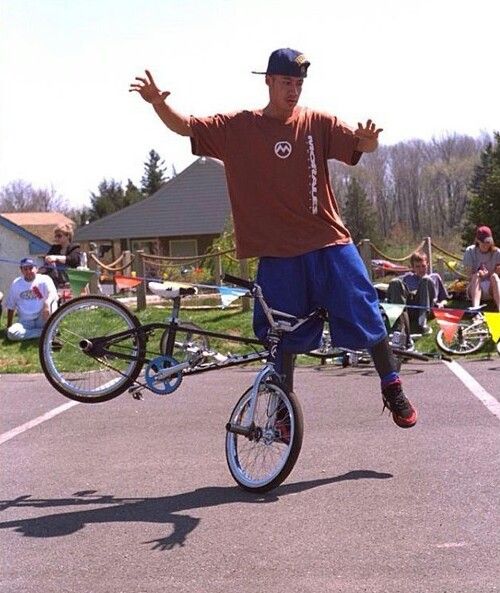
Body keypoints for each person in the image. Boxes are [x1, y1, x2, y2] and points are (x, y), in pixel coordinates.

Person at [130, 48, 417, 428]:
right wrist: (157, 104)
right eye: (286, 82)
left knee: (366, 308)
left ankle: (391, 385)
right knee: (281, 333)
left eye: (298, 84)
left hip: (329, 241)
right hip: (278, 254)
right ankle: (282, 414)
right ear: (268, 81)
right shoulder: (239, 127)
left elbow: (361, 145)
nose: (293, 91)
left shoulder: (317, 122)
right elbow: (186, 127)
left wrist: (369, 141)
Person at [387, 251, 449, 341]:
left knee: (425, 280)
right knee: (395, 282)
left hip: (428, 307)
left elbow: (445, 299)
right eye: (417, 267)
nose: (421, 269)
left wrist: (442, 304)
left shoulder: (434, 277)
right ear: (413, 267)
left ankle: (422, 323)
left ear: (427, 264)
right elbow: (394, 288)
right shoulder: (407, 277)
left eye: (423, 266)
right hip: (411, 308)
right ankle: (399, 326)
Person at [5, 258, 58, 341]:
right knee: (11, 333)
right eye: (25, 269)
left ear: (36, 269)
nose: (28, 271)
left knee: (53, 302)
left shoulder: (45, 279)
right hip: (25, 321)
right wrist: (9, 326)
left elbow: (53, 294)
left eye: (31, 268)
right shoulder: (16, 283)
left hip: (42, 317)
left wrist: (47, 303)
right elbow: (11, 306)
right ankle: (46, 332)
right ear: (21, 270)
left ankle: (49, 329)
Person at [463, 226, 500, 311]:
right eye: (482, 242)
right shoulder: (470, 251)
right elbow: (468, 275)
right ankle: (475, 308)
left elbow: (498, 274)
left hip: (492, 288)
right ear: (477, 241)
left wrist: (491, 273)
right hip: (474, 287)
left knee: (494, 277)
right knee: (475, 276)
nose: (485, 245)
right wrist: (479, 273)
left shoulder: (497, 252)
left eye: (487, 242)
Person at [40, 222, 82, 288]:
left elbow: (73, 259)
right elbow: (47, 259)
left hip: (72, 282)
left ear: (68, 236)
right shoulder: (54, 248)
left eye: (59, 236)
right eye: (56, 236)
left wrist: (56, 258)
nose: (57, 238)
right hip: (57, 282)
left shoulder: (75, 247)